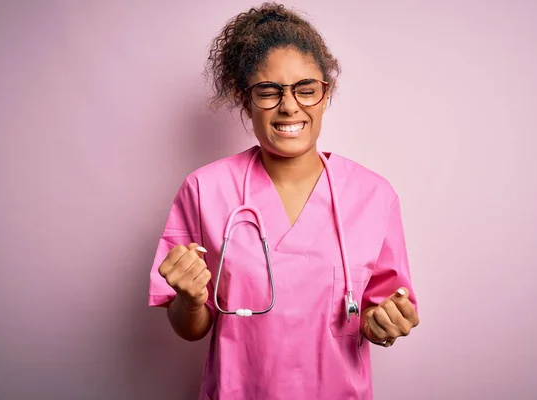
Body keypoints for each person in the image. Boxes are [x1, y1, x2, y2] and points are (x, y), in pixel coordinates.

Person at [148, 2, 419, 399]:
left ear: (325, 95)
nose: (289, 106)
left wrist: (385, 324)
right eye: (268, 92)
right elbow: (191, 329)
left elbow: (381, 314)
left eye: (306, 89)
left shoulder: (373, 196)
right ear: (246, 100)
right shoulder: (205, 190)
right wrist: (189, 299)